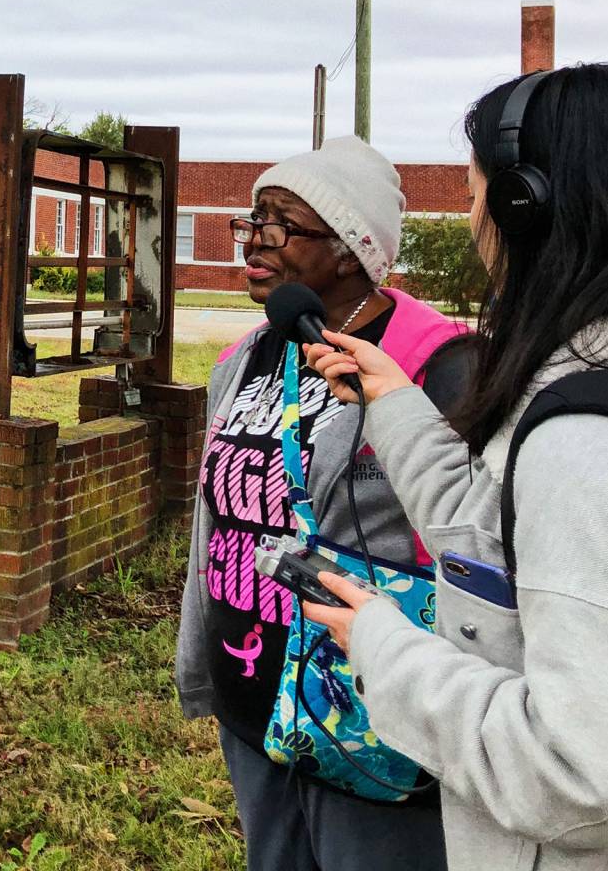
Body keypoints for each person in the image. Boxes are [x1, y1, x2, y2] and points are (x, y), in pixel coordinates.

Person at [302, 64, 608, 871]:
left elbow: (590, 776)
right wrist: (394, 402)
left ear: (522, 206)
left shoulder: (599, 454)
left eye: (475, 197)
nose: (472, 223)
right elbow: (497, 543)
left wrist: (384, 649)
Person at [175, 136, 468, 871]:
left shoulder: (437, 362)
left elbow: (472, 533)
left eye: (282, 223)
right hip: (252, 695)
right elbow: (216, 521)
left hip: (365, 708)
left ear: (351, 250)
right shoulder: (246, 356)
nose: (255, 239)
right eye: (253, 219)